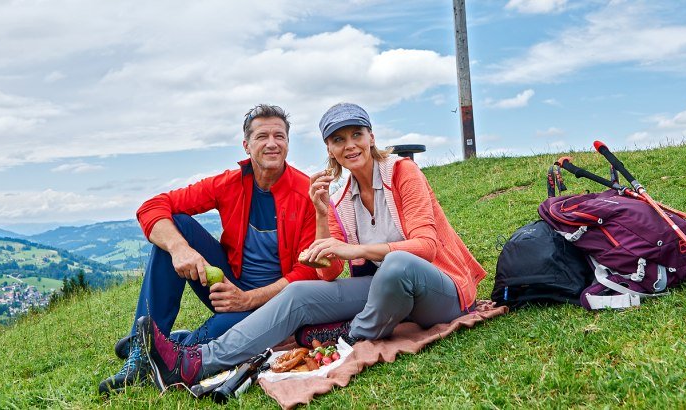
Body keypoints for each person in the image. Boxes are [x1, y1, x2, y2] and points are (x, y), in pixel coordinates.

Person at [135, 102, 487, 390]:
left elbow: (425, 246)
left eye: (356, 135)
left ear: (370, 137)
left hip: (441, 288)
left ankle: (350, 332)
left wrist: (356, 251)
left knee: (395, 266)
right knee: (302, 294)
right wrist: (322, 215)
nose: (349, 145)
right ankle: (191, 363)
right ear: (329, 149)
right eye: (338, 139)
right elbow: (327, 269)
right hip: (389, 293)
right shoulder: (340, 198)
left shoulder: (402, 173)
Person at [98, 104, 321, 394]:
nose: (271, 143)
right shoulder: (229, 183)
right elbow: (152, 207)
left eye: (279, 136)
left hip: (275, 300)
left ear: (288, 144)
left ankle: (167, 345)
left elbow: (308, 272)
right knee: (176, 224)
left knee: (224, 340)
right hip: (229, 284)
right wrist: (180, 248)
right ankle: (140, 354)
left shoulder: (306, 191)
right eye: (262, 136)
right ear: (247, 146)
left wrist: (248, 299)